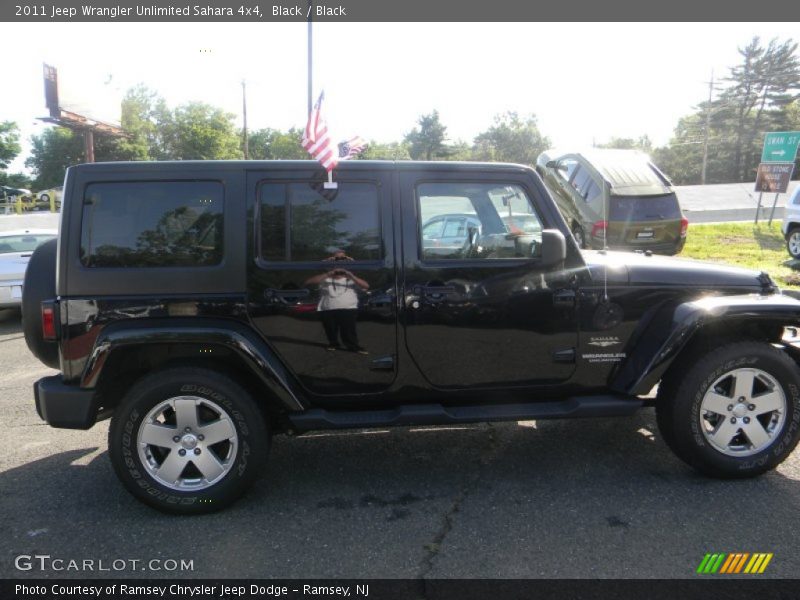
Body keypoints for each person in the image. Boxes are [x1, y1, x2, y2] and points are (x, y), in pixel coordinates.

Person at [304, 250, 369, 353]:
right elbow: (309, 282)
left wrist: (351, 273)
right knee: (330, 329)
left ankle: (353, 346)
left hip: (348, 308)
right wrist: (328, 270)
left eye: (342, 258)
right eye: (336, 258)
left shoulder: (350, 277)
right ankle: (333, 343)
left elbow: (366, 286)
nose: (339, 261)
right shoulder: (325, 277)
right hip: (328, 308)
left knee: (349, 330)